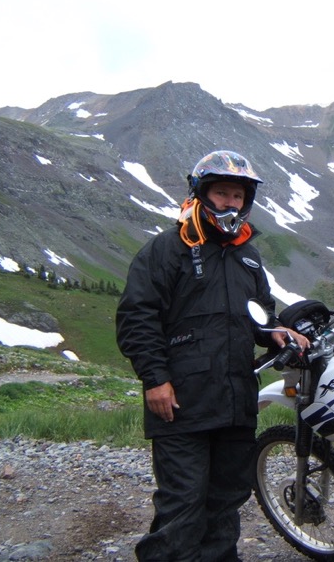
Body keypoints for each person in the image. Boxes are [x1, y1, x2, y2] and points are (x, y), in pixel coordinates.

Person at [116, 150, 308, 561]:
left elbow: (258, 317)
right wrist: (154, 379)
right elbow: (137, 317)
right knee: (182, 506)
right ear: (201, 194)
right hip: (180, 404)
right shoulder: (166, 250)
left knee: (226, 502)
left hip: (236, 402)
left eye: (238, 196)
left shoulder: (247, 256)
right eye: (222, 193)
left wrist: (278, 332)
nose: (231, 203)